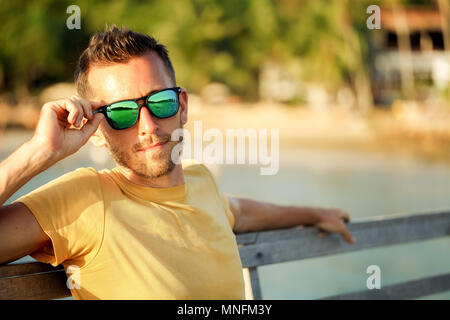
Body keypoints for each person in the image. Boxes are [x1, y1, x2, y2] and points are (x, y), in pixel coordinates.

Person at [0, 26, 354, 300]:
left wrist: (314, 213)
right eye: (122, 112)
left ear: (182, 105)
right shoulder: (83, 200)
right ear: (95, 129)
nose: (149, 127)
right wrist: (40, 151)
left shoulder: (201, 182)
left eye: (161, 102)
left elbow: (240, 212)